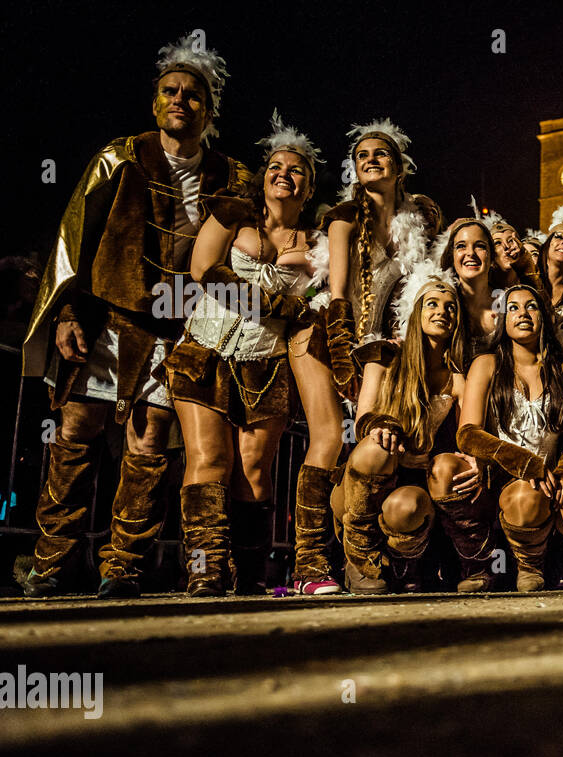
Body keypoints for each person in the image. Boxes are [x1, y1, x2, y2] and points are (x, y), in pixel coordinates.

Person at [22, 34, 250, 598]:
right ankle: (50, 564)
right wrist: (67, 313)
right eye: (170, 91)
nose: (180, 100)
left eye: (193, 95)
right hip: (105, 318)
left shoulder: (229, 175)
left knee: (147, 448)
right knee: (74, 435)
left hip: (176, 328)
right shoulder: (118, 157)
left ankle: (122, 567)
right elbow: (76, 240)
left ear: (209, 110)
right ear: (155, 103)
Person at [161, 112, 320, 596]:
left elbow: (322, 306)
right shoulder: (231, 213)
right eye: (275, 165)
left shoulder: (318, 242)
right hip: (204, 353)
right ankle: (205, 571)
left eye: (296, 170)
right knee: (209, 459)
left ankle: (251, 575)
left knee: (252, 473)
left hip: (267, 364)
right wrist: (282, 304)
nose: (283, 174)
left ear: (308, 187)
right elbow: (204, 269)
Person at [336, 264, 487, 594]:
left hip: (414, 483)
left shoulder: (457, 378)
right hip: (368, 475)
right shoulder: (384, 356)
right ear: (416, 312)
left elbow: (466, 435)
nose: (441, 311)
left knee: (409, 505)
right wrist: (383, 425)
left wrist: (474, 459)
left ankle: (407, 562)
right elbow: (363, 420)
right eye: (431, 303)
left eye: (450, 307)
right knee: (376, 447)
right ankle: (358, 561)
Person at [456, 285, 563, 591]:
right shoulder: (486, 363)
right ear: (503, 318)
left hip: (546, 481)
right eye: (513, 307)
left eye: (531, 306)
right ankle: (481, 565)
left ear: (543, 316)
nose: (522, 313)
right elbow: (468, 434)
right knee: (444, 470)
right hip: (496, 477)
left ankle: (531, 566)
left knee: (527, 495)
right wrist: (524, 462)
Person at [321, 118, 442, 420]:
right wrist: (341, 357)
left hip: (392, 345)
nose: (371, 159)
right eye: (362, 155)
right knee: (340, 440)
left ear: (399, 169)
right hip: (342, 340)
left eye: (381, 153)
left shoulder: (417, 222)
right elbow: (337, 295)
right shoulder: (344, 218)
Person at [435, 216, 502, 367]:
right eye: (461, 246)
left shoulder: (506, 301)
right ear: (451, 256)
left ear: (491, 257)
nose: (470, 253)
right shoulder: (442, 302)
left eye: (480, 246)